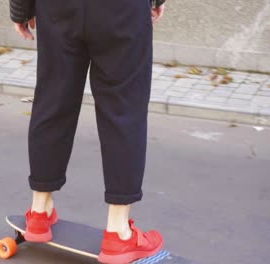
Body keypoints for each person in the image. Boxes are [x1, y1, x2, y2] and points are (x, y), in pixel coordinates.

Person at [10, 0, 167, 263]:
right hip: (121, 10)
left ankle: (39, 212)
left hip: (57, 8)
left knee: (52, 100)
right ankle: (118, 232)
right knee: (123, 110)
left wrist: (21, 8)